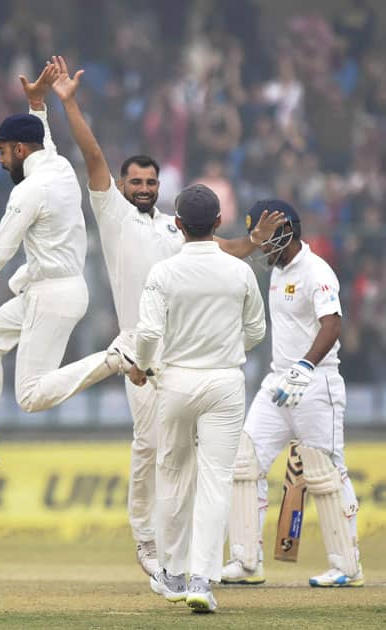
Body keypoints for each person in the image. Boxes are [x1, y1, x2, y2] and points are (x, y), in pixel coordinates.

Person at [48, 55, 284, 577]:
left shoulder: (175, 228)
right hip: (139, 351)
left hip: (184, 359)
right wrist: (68, 103)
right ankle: (150, 545)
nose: (144, 188)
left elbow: (221, 250)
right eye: (136, 181)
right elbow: (91, 155)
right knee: (152, 451)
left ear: (162, 188)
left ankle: (181, 555)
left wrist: (256, 243)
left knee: (183, 461)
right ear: (124, 184)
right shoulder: (111, 214)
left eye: (151, 182)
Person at [0, 66, 130, 465]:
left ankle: (115, 358)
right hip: (50, 288)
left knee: (30, 396)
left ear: (19, 150)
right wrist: (38, 104)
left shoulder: (29, 192)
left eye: (2, 151)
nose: (0, 161)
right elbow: (44, 138)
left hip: (53, 295)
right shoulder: (59, 165)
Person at [128, 184, 266, 612]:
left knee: (172, 475)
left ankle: (171, 573)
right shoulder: (239, 271)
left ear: (179, 225)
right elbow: (257, 330)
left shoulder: (164, 272)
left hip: (176, 382)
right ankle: (202, 580)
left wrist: (143, 366)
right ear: (219, 223)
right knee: (215, 481)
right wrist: (226, 351)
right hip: (225, 382)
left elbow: (149, 333)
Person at [221, 199, 364, 588]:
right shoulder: (277, 267)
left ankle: (348, 568)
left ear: (285, 229)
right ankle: (247, 561)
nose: (263, 247)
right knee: (244, 462)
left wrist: (304, 368)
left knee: (325, 473)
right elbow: (221, 248)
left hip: (316, 382)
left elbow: (332, 325)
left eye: (267, 238)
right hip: (277, 382)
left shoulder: (317, 271)